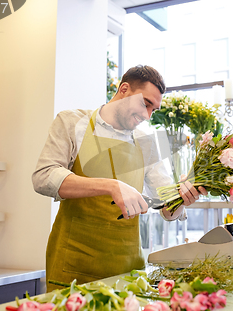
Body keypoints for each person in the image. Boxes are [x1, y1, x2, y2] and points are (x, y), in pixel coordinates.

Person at [32, 65, 206, 291]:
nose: (147, 115)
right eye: (145, 104)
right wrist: (110, 185)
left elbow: (167, 208)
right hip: (73, 263)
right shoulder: (72, 122)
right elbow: (43, 176)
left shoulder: (146, 142)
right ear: (124, 89)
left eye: (154, 109)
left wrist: (183, 199)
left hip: (127, 269)